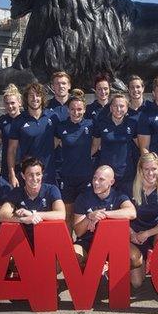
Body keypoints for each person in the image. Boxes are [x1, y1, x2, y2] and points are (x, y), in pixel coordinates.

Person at [73, 165, 137, 268]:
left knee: (135, 260)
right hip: (88, 241)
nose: (96, 182)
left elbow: (132, 213)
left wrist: (103, 214)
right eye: (94, 178)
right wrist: (90, 216)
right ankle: (89, 269)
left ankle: (109, 268)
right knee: (74, 255)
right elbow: (78, 231)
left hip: (113, 242)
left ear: (111, 182)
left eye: (101, 179)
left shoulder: (119, 196)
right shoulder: (83, 197)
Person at [0, 157, 65, 244]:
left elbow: (61, 214)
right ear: (23, 176)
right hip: (22, 242)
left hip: (47, 239)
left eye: (38, 174)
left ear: (42, 174)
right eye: (30, 174)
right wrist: (24, 219)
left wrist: (32, 213)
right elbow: (1, 215)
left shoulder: (51, 189)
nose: (35, 178)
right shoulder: (17, 192)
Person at [54, 89, 95, 231]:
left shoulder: (91, 125)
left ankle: (83, 245)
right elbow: (54, 145)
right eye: (72, 109)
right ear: (68, 110)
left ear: (84, 110)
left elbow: (96, 144)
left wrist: (84, 156)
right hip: (67, 176)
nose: (76, 112)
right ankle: (68, 246)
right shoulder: (61, 127)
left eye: (79, 109)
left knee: (86, 213)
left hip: (86, 177)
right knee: (68, 214)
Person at [129, 152, 158, 288]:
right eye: (146, 169)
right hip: (133, 235)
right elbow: (123, 217)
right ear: (140, 170)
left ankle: (154, 258)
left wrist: (147, 234)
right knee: (136, 283)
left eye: (153, 169)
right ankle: (136, 260)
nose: (150, 173)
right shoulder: (129, 188)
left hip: (153, 234)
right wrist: (132, 234)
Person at [7, 82, 58, 187]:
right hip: (28, 174)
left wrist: (47, 149)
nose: (35, 98)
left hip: (49, 173)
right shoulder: (18, 121)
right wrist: (12, 174)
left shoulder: (52, 116)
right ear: (26, 98)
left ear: (42, 97)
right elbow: (12, 150)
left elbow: (59, 139)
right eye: (31, 95)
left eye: (38, 95)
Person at [92, 93, 138, 194]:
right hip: (105, 175)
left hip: (126, 174)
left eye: (122, 106)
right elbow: (95, 147)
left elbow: (139, 145)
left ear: (127, 108)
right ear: (111, 108)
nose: (118, 109)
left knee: (126, 204)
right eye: (115, 106)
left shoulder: (132, 123)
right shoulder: (101, 123)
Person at [0, 84, 22, 180]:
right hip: (6, 165)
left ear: (19, 102)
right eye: (7, 103)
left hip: (24, 164)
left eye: (12, 103)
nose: (10, 106)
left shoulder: (26, 119)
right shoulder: (2, 120)